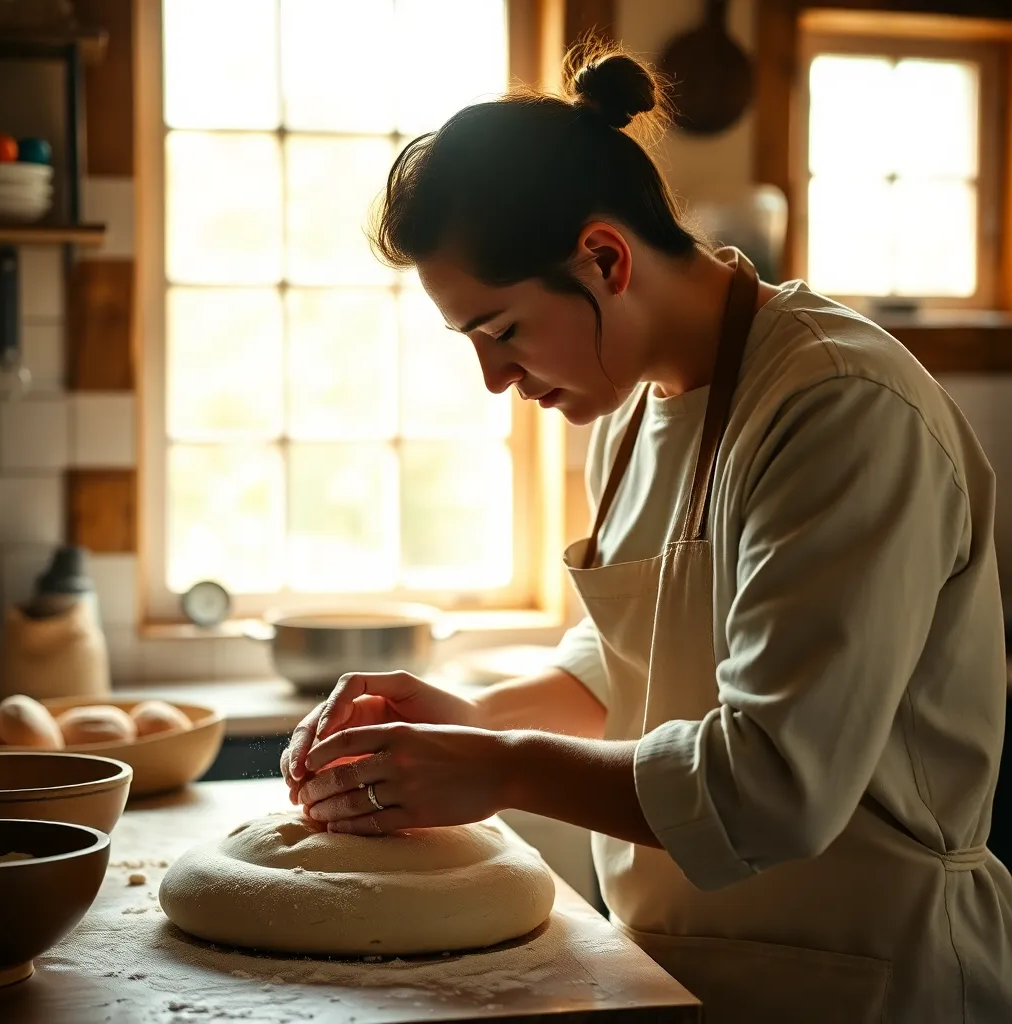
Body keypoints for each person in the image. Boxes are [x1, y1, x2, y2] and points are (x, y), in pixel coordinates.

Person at [280, 40, 1012, 1023]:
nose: (495, 380)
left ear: (605, 258)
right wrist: (471, 718)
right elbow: (623, 664)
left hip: (872, 977)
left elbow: (775, 787)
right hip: (670, 973)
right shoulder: (633, 412)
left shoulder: (840, 406)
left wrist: (498, 768)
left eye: (502, 331)